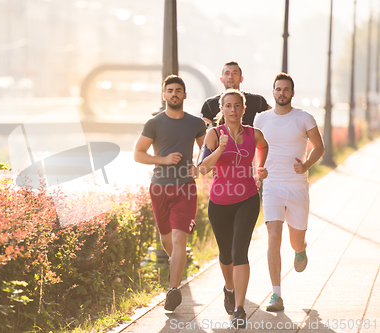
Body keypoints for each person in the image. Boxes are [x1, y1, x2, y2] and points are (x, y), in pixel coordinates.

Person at [134, 75, 206, 311]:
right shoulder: (154, 124)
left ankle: (172, 290)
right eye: (170, 90)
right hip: (159, 187)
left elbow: (206, 149)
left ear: (185, 95)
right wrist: (163, 160)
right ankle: (179, 265)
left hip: (185, 187)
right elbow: (139, 154)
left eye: (179, 90)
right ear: (164, 95)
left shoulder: (195, 123)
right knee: (167, 239)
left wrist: (199, 165)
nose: (174, 94)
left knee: (178, 238)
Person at [253, 73, 325, 312]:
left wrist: (305, 166)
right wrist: (258, 171)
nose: (281, 93)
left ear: (292, 93)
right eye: (277, 89)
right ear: (272, 92)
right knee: (273, 236)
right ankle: (276, 295)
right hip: (272, 185)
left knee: (295, 240)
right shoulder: (261, 119)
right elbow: (255, 150)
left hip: (297, 186)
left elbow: (319, 147)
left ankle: (301, 249)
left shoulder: (304, 118)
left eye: (286, 89)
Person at [198, 89, 268, 328]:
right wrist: (220, 148)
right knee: (226, 254)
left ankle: (239, 309)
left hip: (247, 198)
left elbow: (264, 147)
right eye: (228, 105)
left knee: (240, 252)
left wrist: (260, 169)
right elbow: (203, 168)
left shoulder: (253, 133)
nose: (233, 110)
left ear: (244, 109)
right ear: (222, 109)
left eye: (237, 105)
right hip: (219, 203)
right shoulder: (213, 135)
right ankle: (229, 288)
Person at [201, 61, 271, 127]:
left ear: (241, 79)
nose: (230, 77)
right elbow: (201, 131)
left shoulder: (256, 100)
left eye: (235, 73)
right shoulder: (210, 104)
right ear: (221, 79)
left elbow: (276, 115)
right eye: (227, 73)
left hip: (249, 139)